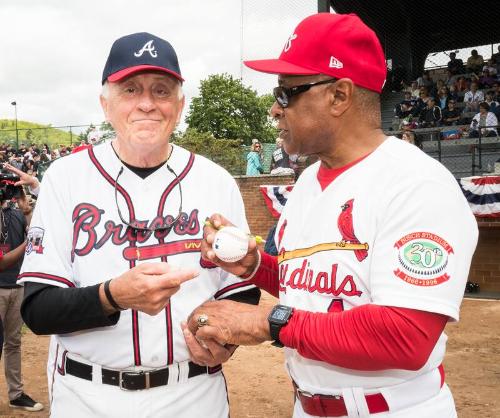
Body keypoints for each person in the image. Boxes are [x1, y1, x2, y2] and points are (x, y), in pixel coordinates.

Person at [186, 13, 478, 418]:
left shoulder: (416, 183)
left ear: (339, 96)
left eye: (287, 92)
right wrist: (254, 267)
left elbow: (406, 338)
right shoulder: (308, 181)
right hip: (307, 405)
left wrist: (267, 321)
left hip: (393, 409)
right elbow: (311, 288)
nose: (274, 108)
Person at [18, 32, 259, 418]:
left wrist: (224, 339)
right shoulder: (65, 178)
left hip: (193, 392)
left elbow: (242, 291)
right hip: (87, 395)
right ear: (106, 104)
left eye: (162, 91)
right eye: (130, 89)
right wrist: (112, 296)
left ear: (179, 106)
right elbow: (38, 309)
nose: (147, 103)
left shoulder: (216, 182)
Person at [0, 185, 43, 412]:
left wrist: (27, 211)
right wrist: (26, 245)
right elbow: (1, 263)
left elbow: (38, 240)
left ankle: (16, 394)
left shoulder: (16, 215)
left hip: (16, 286)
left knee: (13, 343)